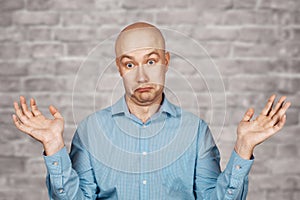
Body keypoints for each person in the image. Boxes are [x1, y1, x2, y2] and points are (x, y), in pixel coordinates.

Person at [12, 22, 291, 200]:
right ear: (119, 68)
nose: (142, 77)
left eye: (152, 60)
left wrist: (243, 148)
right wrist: (53, 146)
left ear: (166, 61)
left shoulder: (195, 131)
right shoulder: (91, 130)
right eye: (130, 64)